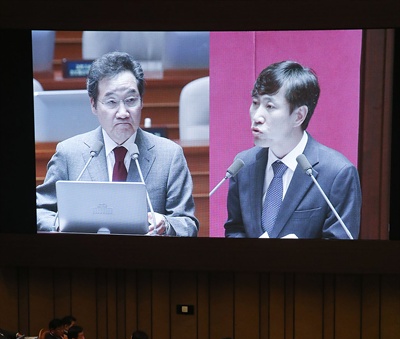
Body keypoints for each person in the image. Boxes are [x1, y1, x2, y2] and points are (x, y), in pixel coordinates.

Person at [36, 51, 199, 237]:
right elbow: (39, 211)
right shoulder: (69, 153)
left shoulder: (169, 156)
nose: (123, 112)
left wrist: (166, 225)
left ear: (142, 101)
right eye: (111, 102)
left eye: (131, 100)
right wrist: (59, 223)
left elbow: (188, 224)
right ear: (93, 105)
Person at [224, 60, 362, 239]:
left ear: (299, 116)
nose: (257, 116)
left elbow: (342, 252)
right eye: (255, 103)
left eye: (270, 106)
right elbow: (235, 229)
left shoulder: (338, 173)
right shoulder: (243, 165)